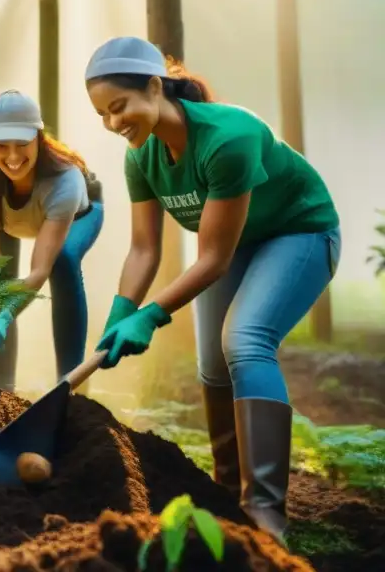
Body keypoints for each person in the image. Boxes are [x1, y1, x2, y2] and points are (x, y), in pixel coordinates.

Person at [84, 36, 341, 543]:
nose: (114, 124)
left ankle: (265, 514)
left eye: (120, 107)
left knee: (245, 341)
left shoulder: (229, 137)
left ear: (155, 87)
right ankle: (226, 500)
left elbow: (213, 259)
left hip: (299, 231)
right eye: (102, 115)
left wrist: (151, 315)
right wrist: (121, 312)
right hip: (238, 241)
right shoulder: (141, 157)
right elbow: (143, 250)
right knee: (213, 364)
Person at [0, 90, 104, 392]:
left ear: (38, 138)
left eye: (22, 144)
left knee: (62, 261)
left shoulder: (66, 181)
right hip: (9, 219)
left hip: (79, 216)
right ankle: (0, 390)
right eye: (1, 146)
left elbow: (40, 270)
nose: (12, 157)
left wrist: (5, 315)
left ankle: (71, 385)